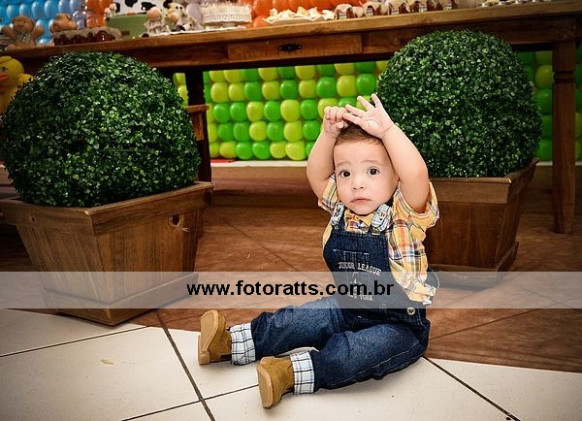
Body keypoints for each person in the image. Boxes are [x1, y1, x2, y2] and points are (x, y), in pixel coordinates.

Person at [197, 94, 439, 409]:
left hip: (398, 326)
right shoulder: (341, 208)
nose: (357, 184)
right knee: (295, 321)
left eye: (372, 171)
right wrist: (327, 134)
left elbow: (417, 175)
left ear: (396, 177)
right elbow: (316, 174)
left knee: (354, 353)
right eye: (345, 173)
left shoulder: (404, 214)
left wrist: (389, 131)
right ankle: (230, 343)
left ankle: (288, 373)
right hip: (345, 307)